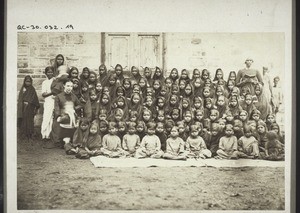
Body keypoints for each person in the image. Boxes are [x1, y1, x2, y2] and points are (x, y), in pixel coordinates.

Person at [51, 79, 82, 148]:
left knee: (74, 123)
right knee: (58, 123)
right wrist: (58, 115)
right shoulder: (58, 96)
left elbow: (79, 105)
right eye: (67, 86)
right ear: (64, 86)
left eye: (71, 86)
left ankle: (70, 141)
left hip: (71, 116)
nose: (69, 88)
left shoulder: (73, 96)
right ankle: (60, 141)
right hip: (62, 115)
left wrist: (73, 109)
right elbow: (57, 107)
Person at [17, 75, 40, 140]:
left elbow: (34, 98)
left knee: (29, 121)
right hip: (23, 108)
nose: (28, 83)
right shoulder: (22, 89)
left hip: (30, 108)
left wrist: (29, 102)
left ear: (31, 82)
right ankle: (23, 135)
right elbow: (20, 98)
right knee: (23, 121)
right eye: (27, 81)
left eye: (29, 82)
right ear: (24, 82)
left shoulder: (32, 89)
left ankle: (30, 134)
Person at [41, 66, 55, 140]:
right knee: (46, 117)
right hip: (48, 101)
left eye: (51, 72)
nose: (50, 73)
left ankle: (49, 135)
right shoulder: (45, 82)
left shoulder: (55, 81)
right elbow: (43, 94)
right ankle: (44, 134)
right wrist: (51, 92)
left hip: (54, 100)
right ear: (46, 73)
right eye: (48, 72)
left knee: (52, 118)